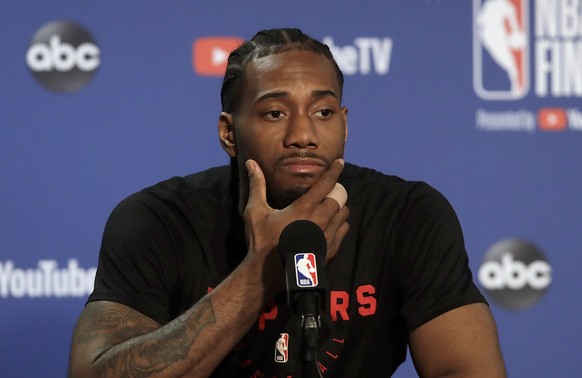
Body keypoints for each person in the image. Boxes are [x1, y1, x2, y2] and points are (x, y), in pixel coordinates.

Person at [68, 28, 506, 377]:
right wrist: (258, 274)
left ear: (345, 124)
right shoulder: (157, 221)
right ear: (228, 133)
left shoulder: (407, 215)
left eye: (323, 112)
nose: (303, 135)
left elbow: (466, 368)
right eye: (275, 113)